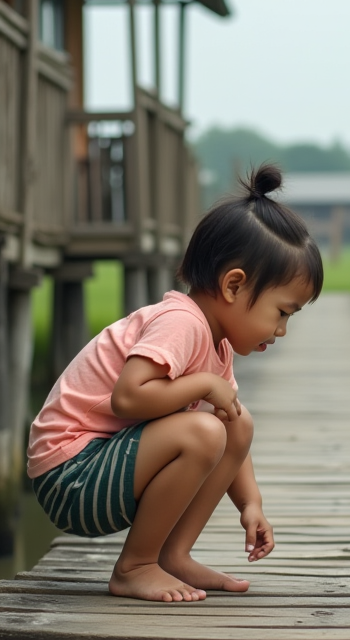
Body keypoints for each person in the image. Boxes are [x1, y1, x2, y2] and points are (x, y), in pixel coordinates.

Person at [27, 164, 322, 603]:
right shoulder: (181, 322)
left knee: (236, 421)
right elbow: (128, 397)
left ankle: (172, 556)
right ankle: (134, 567)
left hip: (105, 465)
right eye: (282, 313)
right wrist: (202, 384)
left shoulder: (217, 344)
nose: (281, 330)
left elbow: (231, 426)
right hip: (71, 474)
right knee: (203, 431)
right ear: (234, 285)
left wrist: (251, 504)